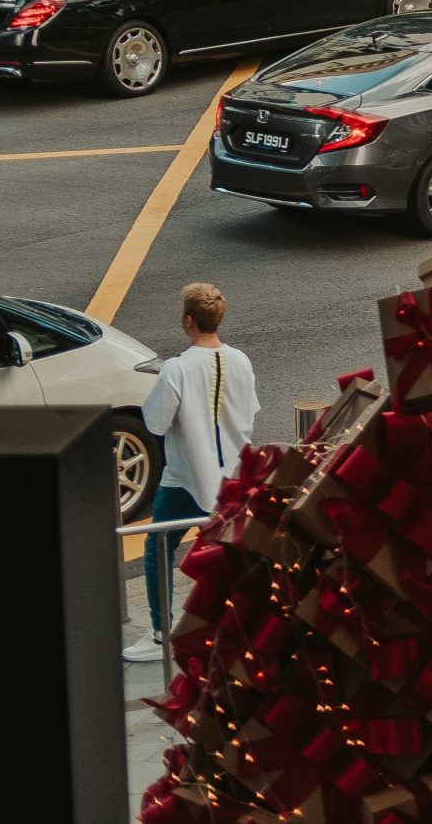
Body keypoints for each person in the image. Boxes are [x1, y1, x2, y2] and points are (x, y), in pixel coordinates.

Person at [122, 283, 258, 664]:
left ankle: (161, 632)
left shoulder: (177, 368)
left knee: (158, 549)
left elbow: (156, 421)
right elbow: (249, 412)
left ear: (187, 321)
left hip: (186, 476)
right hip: (232, 473)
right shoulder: (241, 360)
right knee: (227, 549)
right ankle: (236, 622)